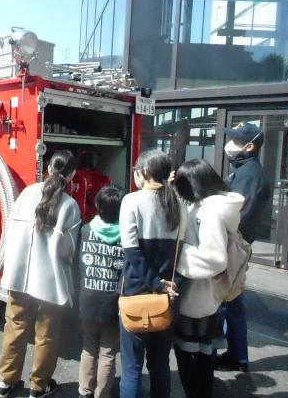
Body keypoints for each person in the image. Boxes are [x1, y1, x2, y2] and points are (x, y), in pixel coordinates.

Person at [0, 150, 81, 398]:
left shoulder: (26, 194)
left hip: (19, 276)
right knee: (46, 335)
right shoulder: (70, 206)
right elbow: (68, 250)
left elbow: (10, 231)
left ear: (48, 169)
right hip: (50, 283)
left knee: (15, 326)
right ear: (72, 174)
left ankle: (6, 381)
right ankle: (38, 386)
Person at [173, 159, 244, 398]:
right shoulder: (216, 205)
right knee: (203, 356)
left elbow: (215, 260)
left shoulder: (207, 213)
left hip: (196, 299)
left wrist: (178, 253)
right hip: (207, 299)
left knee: (190, 359)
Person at [118, 150, 180, 398]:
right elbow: (183, 254)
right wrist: (170, 287)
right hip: (167, 298)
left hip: (135, 293)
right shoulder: (178, 203)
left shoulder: (131, 201)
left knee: (132, 367)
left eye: (136, 169)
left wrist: (155, 283)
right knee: (160, 364)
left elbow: (132, 252)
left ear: (145, 171)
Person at [217, 122, 271, 372]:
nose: (231, 145)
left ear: (251, 146)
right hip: (236, 244)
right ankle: (237, 356)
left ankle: (225, 354)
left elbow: (237, 215)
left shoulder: (250, 175)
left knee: (224, 300)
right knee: (232, 301)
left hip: (234, 246)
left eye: (237, 141)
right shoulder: (245, 170)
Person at [77, 184, 125, 398]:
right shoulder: (126, 235)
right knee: (108, 352)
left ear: (97, 206)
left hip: (88, 298)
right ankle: (102, 394)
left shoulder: (86, 230)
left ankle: (84, 391)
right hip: (113, 301)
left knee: (88, 347)